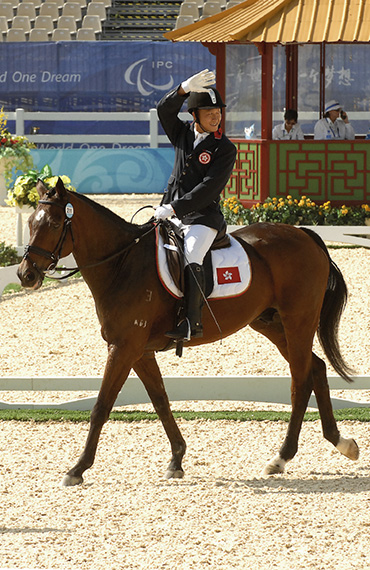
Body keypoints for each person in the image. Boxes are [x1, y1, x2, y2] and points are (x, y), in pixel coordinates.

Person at [154, 69, 237, 342]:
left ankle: (192, 322)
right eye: (210, 112)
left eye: (219, 112)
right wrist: (182, 89)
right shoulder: (181, 133)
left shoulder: (224, 148)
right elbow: (163, 110)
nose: (216, 117)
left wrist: (175, 208)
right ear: (194, 115)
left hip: (202, 217)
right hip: (169, 210)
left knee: (191, 254)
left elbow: (208, 189)